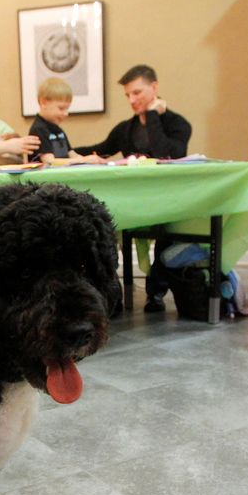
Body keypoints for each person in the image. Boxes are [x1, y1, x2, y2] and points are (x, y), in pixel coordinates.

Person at [74, 65, 192, 312]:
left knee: (167, 230)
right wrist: (67, 152)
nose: (132, 100)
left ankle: (156, 292)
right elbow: (102, 148)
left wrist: (153, 117)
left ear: (154, 88)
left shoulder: (178, 124)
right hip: (132, 202)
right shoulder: (125, 129)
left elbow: (167, 153)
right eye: (127, 95)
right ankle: (113, 292)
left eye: (137, 93)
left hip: (167, 200)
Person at [28, 78, 104, 164]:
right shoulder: (39, 130)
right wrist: (83, 160)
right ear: (44, 103)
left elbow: (71, 154)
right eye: (61, 108)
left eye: (67, 109)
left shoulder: (58, 130)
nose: (66, 113)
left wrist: (91, 160)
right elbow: (49, 161)